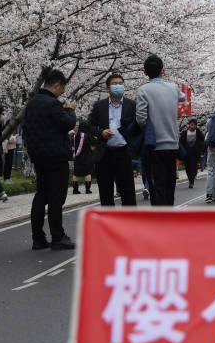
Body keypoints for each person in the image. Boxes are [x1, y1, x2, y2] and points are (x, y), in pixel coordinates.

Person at [22, 69, 77, 250]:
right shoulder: (52, 104)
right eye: (62, 89)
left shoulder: (31, 104)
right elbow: (68, 124)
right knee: (56, 197)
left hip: (38, 156)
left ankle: (38, 238)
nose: (62, 93)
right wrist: (70, 111)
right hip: (56, 157)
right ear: (56, 85)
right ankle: (58, 237)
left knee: (41, 195)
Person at [134, 55, 185, 207]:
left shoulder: (143, 90)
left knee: (157, 186)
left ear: (145, 72)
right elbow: (182, 97)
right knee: (170, 185)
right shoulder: (173, 88)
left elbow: (141, 119)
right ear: (163, 70)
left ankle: (160, 220)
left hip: (154, 146)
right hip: (173, 145)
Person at [85, 74, 137, 207]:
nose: (118, 86)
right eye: (115, 83)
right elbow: (89, 126)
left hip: (124, 153)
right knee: (106, 194)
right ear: (108, 88)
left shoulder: (131, 105)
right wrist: (101, 132)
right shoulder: (99, 106)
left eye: (121, 83)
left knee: (128, 194)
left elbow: (138, 128)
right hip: (104, 154)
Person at [179, 118, 205, 189]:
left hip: (195, 152)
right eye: (191, 125)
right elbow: (181, 142)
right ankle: (190, 179)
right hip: (187, 152)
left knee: (193, 167)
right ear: (189, 125)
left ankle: (192, 181)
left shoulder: (197, 132)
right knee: (187, 167)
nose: (192, 126)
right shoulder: (185, 133)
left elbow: (203, 139)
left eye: (194, 125)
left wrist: (201, 150)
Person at [70, 122, 94, 195]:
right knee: (87, 173)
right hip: (86, 157)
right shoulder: (88, 135)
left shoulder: (75, 135)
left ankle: (75, 190)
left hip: (77, 157)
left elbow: (71, 144)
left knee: (76, 173)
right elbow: (93, 144)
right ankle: (87, 190)